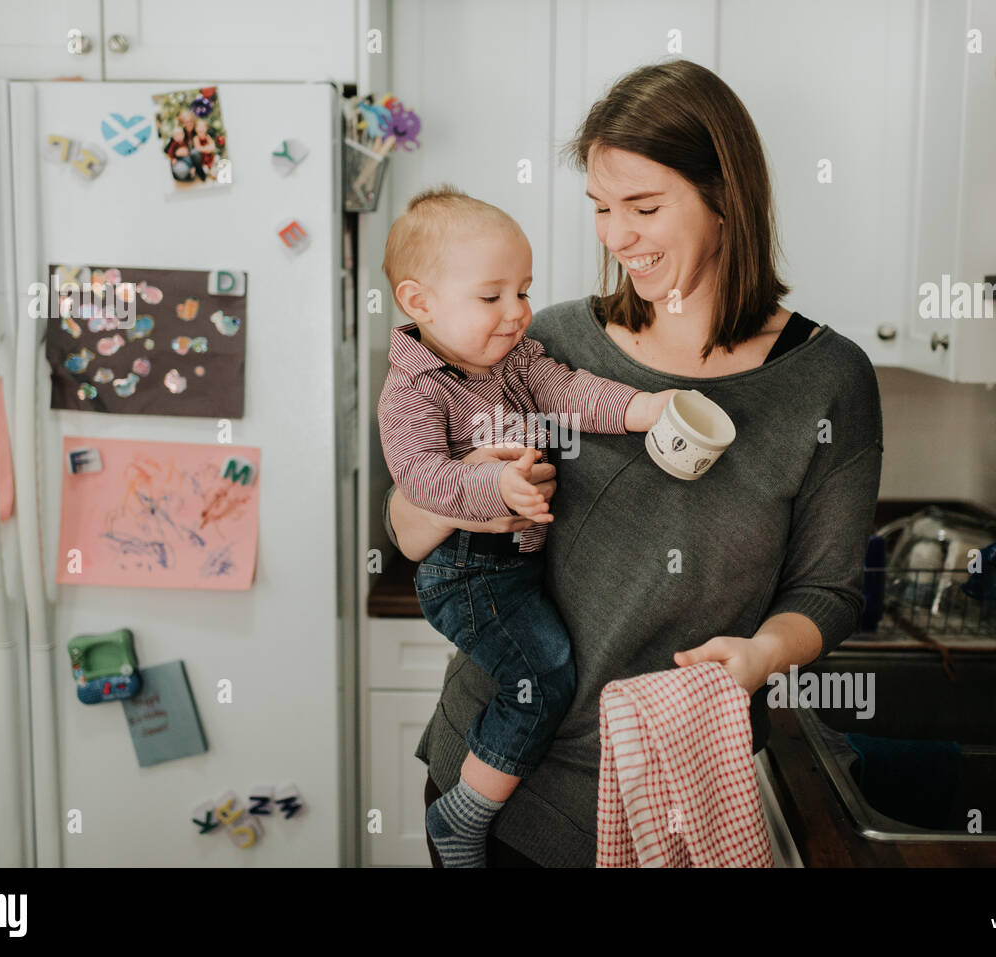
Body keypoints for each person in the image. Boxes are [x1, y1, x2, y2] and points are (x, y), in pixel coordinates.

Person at [385, 59, 884, 868]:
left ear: (725, 198)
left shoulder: (829, 380)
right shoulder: (545, 340)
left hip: (669, 795)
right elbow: (406, 526)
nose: (617, 237)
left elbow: (826, 593)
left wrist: (761, 656)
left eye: (644, 207)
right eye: (601, 208)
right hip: (494, 782)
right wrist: (477, 487)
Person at [377, 185, 676, 867]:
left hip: (515, 564)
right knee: (542, 678)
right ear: (419, 303)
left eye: (524, 289)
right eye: (492, 296)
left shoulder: (514, 360)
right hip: (467, 571)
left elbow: (572, 393)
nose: (517, 312)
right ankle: (464, 813)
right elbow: (421, 478)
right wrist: (495, 485)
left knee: (541, 670)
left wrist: (646, 409)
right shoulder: (415, 389)